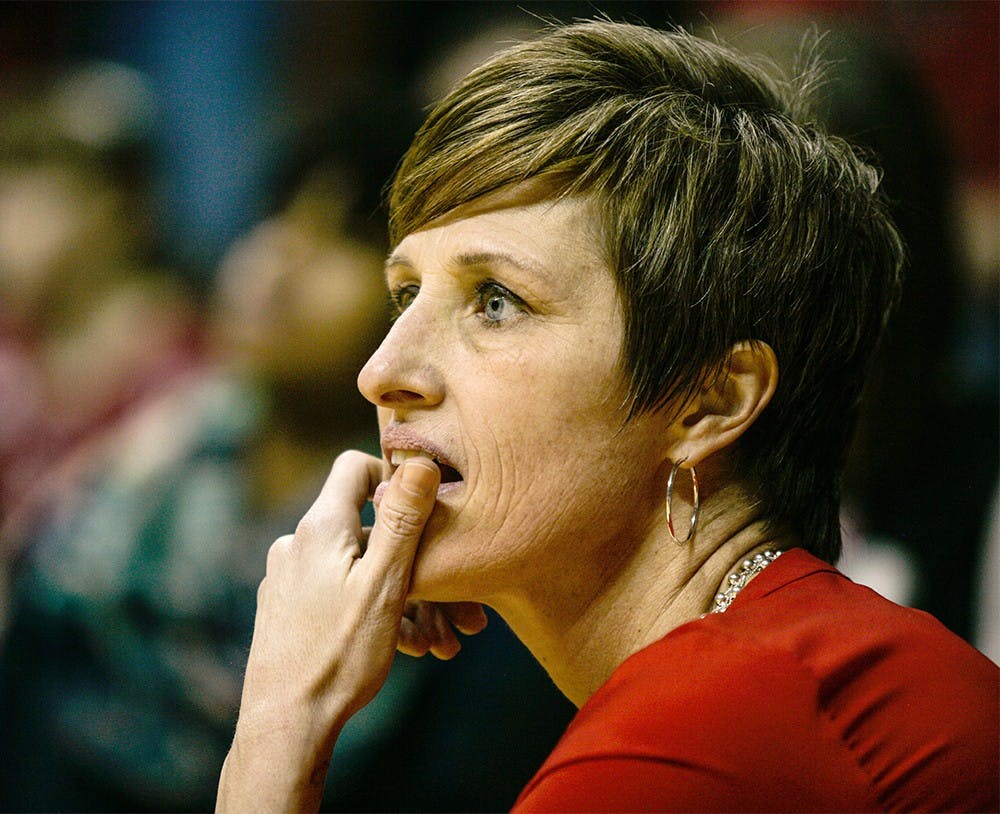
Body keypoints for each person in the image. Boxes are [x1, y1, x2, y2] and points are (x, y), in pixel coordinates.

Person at [217, 21, 999, 812]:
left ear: (710, 401)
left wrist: (282, 719)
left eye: (496, 302)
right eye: (407, 294)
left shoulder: (701, 737)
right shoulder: (781, 663)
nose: (382, 373)